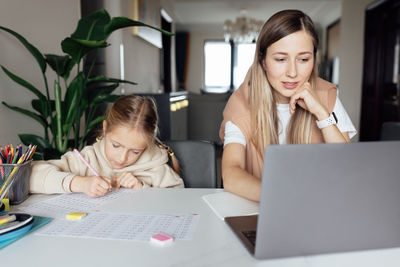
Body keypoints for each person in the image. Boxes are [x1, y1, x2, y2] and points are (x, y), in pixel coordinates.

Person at [219, 10, 357, 202]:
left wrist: (321, 113)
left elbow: (348, 167)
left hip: (322, 207)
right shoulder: (241, 102)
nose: (292, 72)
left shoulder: (326, 95)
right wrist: (285, 197)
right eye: (281, 59)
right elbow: (232, 175)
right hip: (263, 209)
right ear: (263, 61)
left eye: (303, 59)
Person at [30, 95, 184, 197]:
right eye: (116, 146)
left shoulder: (156, 167)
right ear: (105, 129)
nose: (122, 158)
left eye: (135, 152)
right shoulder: (87, 158)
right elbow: (28, 176)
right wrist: (81, 183)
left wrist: (142, 190)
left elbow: (180, 201)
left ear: (147, 143)